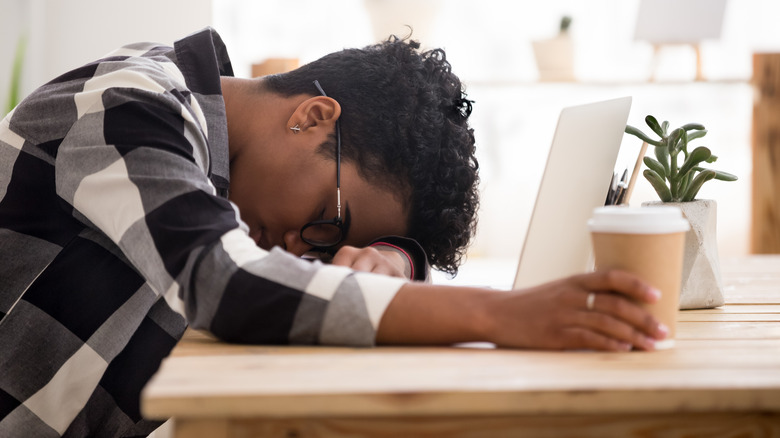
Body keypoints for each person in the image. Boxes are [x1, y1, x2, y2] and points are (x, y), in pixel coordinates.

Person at [0, 27, 667, 437]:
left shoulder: (221, 167)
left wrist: (389, 256)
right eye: (330, 221)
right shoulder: (129, 106)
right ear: (314, 116)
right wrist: (502, 313)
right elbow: (223, 282)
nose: (301, 248)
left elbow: (354, 261)